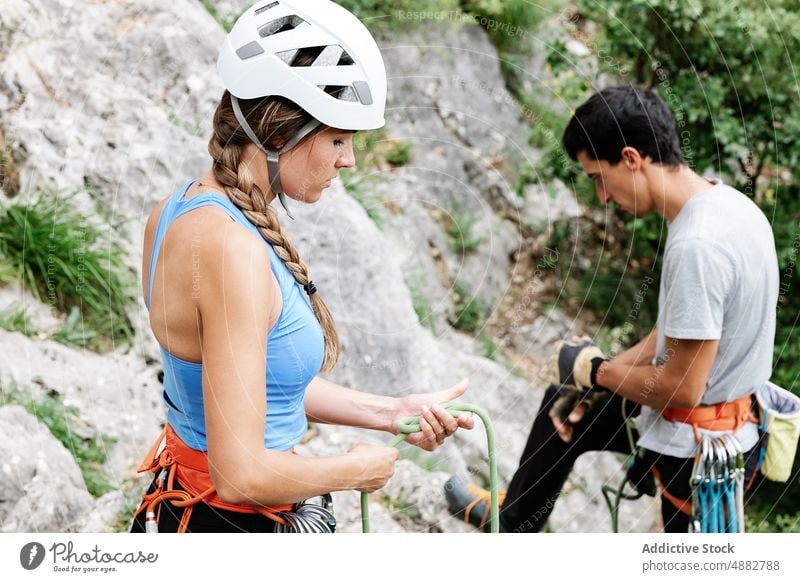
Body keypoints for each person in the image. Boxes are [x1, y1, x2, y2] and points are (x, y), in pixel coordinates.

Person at [130, 0, 473, 533]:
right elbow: (239, 475)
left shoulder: (174, 212)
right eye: (338, 138)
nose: (349, 159)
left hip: (189, 513)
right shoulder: (230, 252)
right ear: (276, 134)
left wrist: (391, 412)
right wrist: (354, 471)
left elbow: (256, 385)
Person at [445, 85, 778, 533]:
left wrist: (598, 370)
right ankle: (516, 520)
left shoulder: (697, 245)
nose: (602, 196)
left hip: (696, 446)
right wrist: (594, 383)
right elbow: (674, 332)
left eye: (598, 177)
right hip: (727, 420)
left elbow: (680, 389)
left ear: (631, 158)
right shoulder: (730, 205)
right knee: (564, 404)